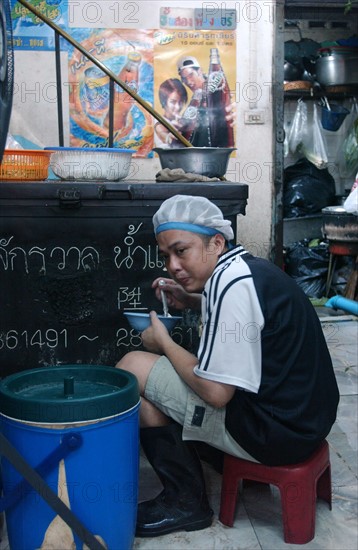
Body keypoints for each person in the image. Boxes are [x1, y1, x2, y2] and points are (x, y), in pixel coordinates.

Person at [116, 194, 340, 538]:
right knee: (154, 388)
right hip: (307, 422)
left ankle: (186, 503)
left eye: (182, 251)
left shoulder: (230, 285)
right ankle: (220, 467)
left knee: (134, 367)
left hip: (276, 435)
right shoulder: (249, 269)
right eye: (166, 256)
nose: (172, 265)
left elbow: (217, 394)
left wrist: (164, 343)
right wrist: (191, 300)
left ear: (216, 242)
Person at [154, 78, 188, 148]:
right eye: (173, 102)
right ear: (164, 101)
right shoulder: (158, 123)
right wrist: (170, 137)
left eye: (181, 102)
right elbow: (163, 134)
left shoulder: (183, 121)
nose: (178, 107)